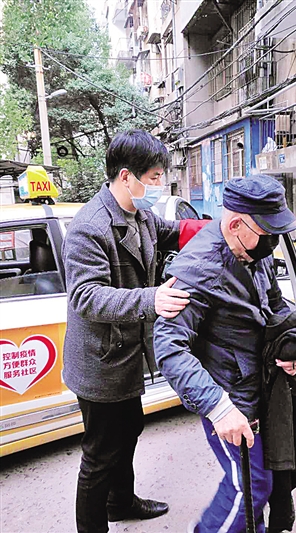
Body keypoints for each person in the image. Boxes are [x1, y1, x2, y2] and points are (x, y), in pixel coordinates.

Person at [153, 175, 296, 533]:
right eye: (266, 233)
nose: (272, 242)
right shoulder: (198, 269)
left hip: (260, 386)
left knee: (267, 481)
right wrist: (219, 408)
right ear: (235, 224)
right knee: (249, 488)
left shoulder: (252, 248)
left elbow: (274, 304)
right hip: (229, 399)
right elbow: (170, 348)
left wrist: (290, 347)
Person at [62, 129, 193, 533]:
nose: (160, 185)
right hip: (100, 361)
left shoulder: (140, 215)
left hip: (127, 354)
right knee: (99, 454)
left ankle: (120, 503)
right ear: (126, 176)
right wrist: (151, 299)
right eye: (154, 177)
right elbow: (86, 296)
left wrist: (218, 229)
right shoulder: (90, 226)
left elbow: (172, 232)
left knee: (129, 429)